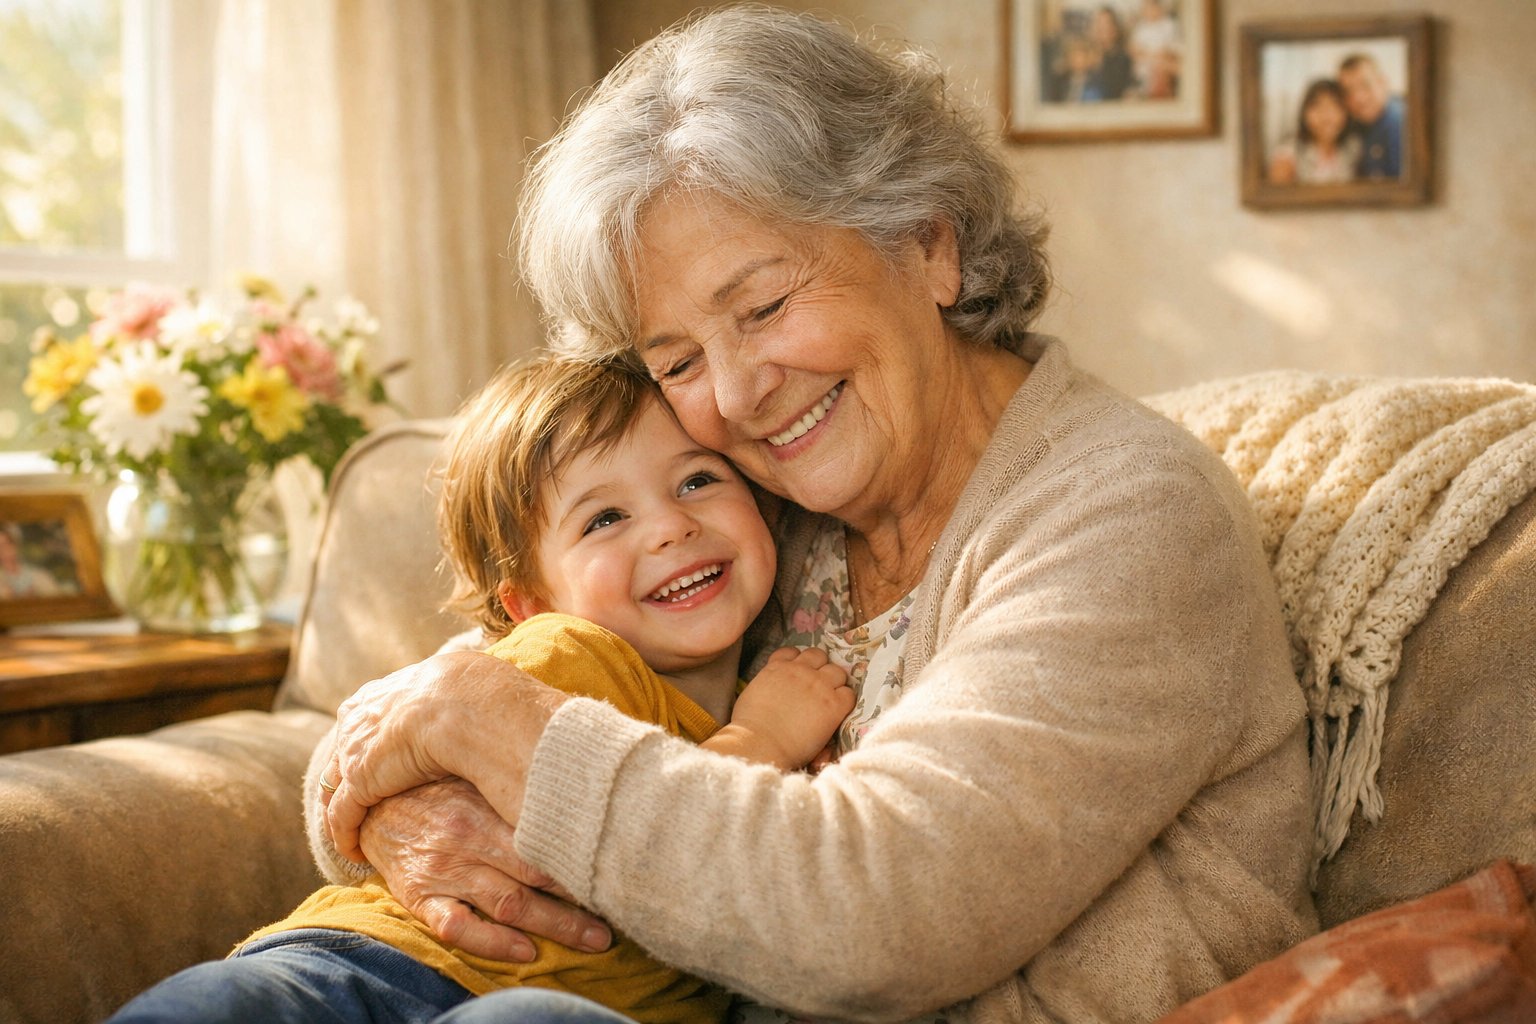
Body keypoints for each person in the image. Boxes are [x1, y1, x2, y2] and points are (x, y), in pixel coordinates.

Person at [308, 8, 1318, 1022]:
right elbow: (458, 697)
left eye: (764, 308)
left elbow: (886, 911)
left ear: (930, 243)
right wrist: (382, 811)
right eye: (678, 360)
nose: (740, 393)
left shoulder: (1130, 517)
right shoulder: (749, 522)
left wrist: (483, 726)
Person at [107, 355, 855, 1023]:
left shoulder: (775, 679)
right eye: (604, 518)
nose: (669, 526)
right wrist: (761, 740)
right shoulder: (566, 654)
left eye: (697, 480)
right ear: (527, 604)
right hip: (367, 969)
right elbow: (636, 835)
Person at [1267, 78, 1362, 185]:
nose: (1326, 116)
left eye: (1335, 106)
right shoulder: (1289, 154)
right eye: (1317, 106)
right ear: (1304, 113)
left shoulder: (1354, 148)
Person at [1338, 52, 1404, 179]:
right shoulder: (1355, 124)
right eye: (1348, 91)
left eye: (1365, 85)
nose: (1358, 98)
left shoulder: (1401, 125)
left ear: (1382, 82)